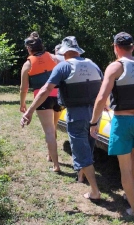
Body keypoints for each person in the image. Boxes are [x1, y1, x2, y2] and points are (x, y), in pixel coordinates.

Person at [22, 36, 103, 200]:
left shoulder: (64, 66)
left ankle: (95, 191)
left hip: (76, 114)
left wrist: (29, 111)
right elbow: (103, 88)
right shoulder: (93, 64)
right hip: (96, 114)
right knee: (88, 146)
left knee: (81, 151)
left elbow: (45, 90)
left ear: (65, 52)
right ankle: (81, 176)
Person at [89, 32, 134, 219]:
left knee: (124, 167)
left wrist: (94, 122)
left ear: (115, 47)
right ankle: (129, 194)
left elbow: (101, 97)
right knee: (132, 159)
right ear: (133, 47)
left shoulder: (116, 66)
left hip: (124, 121)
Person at [18, 31, 62, 173]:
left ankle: (56, 165)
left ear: (29, 48)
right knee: (53, 127)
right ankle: (50, 155)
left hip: (42, 98)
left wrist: (22, 104)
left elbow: (24, 88)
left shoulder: (27, 64)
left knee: (49, 131)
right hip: (58, 96)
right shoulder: (54, 57)